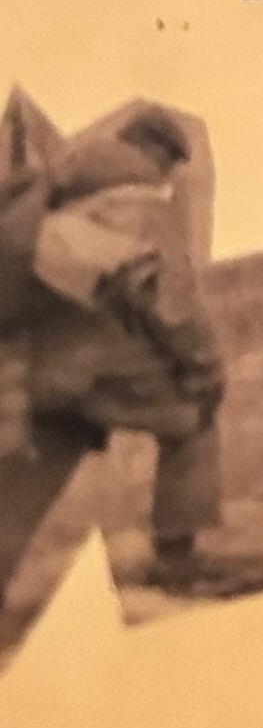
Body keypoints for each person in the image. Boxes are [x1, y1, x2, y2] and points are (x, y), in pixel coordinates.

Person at [0, 100, 237, 595]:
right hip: (91, 364)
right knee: (192, 420)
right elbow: (167, 303)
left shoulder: (60, 184)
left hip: (26, 360)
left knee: (29, 470)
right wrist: (206, 370)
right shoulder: (139, 196)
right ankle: (176, 561)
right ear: (161, 153)